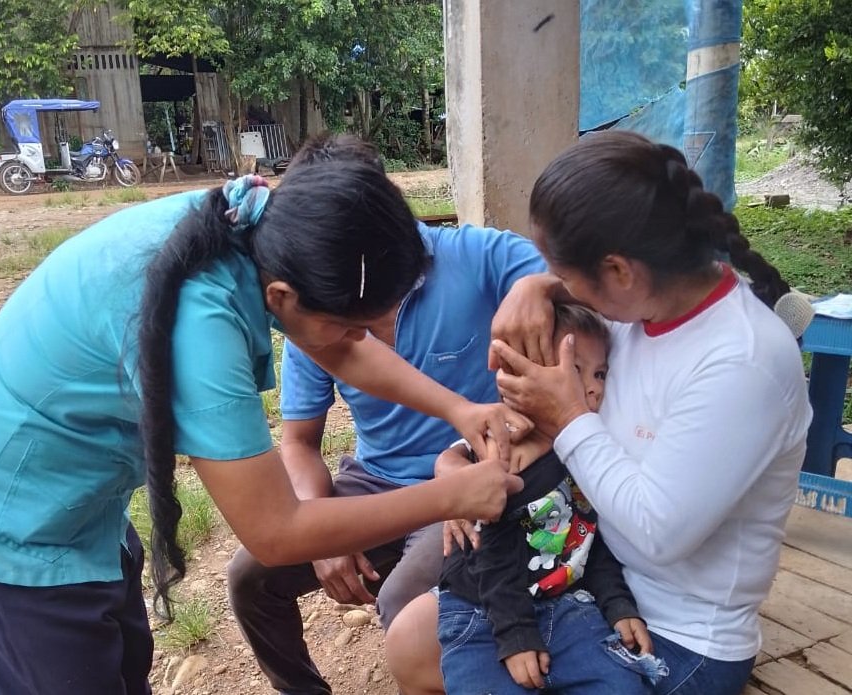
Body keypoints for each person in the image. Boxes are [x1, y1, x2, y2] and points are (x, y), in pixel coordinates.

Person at [0, 155, 528, 695]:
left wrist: (458, 409)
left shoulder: (252, 219)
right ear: (282, 298)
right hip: (4, 524)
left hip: (78, 511)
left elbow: (338, 346)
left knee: (120, 670)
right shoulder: (198, 325)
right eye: (351, 323)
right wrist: (449, 495)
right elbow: (276, 532)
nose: (365, 341)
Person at [387, 131, 813, 695]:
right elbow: (526, 428)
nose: (562, 287)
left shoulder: (744, 362)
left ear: (618, 271)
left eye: (564, 274)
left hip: (675, 630)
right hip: (580, 576)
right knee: (411, 638)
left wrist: (566, 418)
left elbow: (657, 533)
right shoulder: (629, 315)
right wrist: (459, 468)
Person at [227, 134, 548, 695]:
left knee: (405, 607)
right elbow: (299, 442)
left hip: (470, 478)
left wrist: (538, 286)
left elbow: (580, 276)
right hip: (376, 483)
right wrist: (318, 522)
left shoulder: (472, 256)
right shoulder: (314, 297)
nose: (355, 332)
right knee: (249, 576)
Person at [437, 303, 663, 695]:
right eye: (575, 370)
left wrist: (617, 605)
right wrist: (517, 634)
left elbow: (591, 538)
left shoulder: (589, 451)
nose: (593, 387)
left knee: (623, 685)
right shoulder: (506, 455)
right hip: (483, 610)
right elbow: (492, 556)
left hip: (566, 603)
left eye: (600, 373)